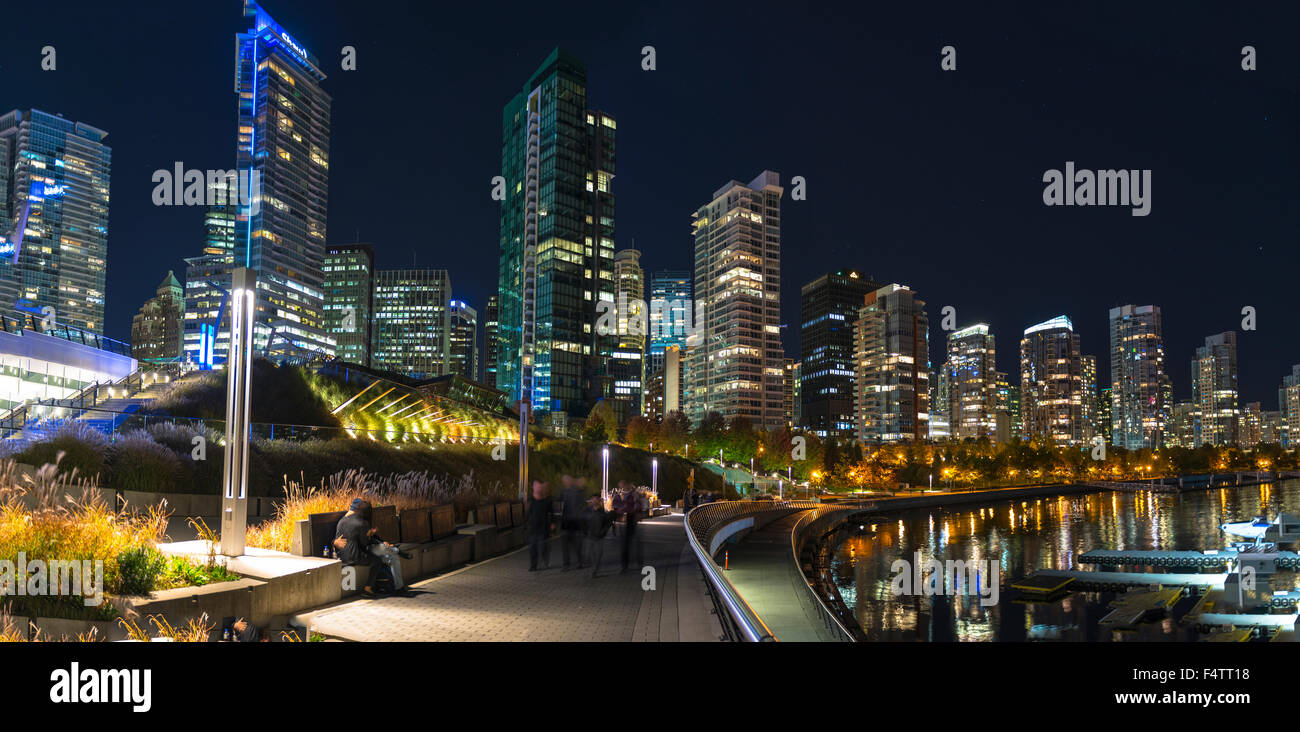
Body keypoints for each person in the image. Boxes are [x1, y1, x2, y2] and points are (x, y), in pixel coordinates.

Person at [333, 498, 411, 596]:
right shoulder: (362, 523)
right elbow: (365, 544)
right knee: (380, 559)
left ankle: (394, 551)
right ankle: (368, 588)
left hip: (343, 555)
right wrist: (369, 535)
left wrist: (376, 539)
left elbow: (339, 538)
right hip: (357, 554)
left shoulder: (342, 521)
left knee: (387, 554)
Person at [582, 494, 613, 577]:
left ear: (599, 501)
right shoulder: (587, 511)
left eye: (596, 499)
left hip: (599, 537)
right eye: (593, 499)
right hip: (589, 536)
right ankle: (591, 568)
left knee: (598, 554)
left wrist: (603, 532)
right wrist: (585, 531)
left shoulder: (603, 512)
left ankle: (594, 571)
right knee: (588, 554)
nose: (594, 501)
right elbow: (583, 521)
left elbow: (608, 523)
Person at [559, 474, 586, 570]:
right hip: (566, 522)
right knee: (566, 545)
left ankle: (579, 562)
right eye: (564, 481)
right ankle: (567, 564)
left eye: (566, 480)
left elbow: (581, 507)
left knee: (576, 544)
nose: (565, 482)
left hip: (575, 522)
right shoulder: (564, 492)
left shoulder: (577, 492)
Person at [617, 480, 643, 573]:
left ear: (625, 485)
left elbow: (637, 506)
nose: (621, 488)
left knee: (630, 544)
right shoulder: (627, 494)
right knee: (627, 544)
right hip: (628, 520)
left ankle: (633, 563)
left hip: (631, 520)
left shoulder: (633, 494)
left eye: (621, 486)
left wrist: (623, 509)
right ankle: (626, 565)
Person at [526, 480, 553, 571]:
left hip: (543, 529)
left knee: (543, 547)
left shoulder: (546, 500)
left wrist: (552, 523)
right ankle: (533, 566)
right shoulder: (531, 500)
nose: (538, 489)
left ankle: (545, 560)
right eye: (536, 487)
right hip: (533, 529)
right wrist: (526, 524)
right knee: (533, 548)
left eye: (539, 487)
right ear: (533, 488)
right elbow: (528, 513)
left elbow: (551, 512)